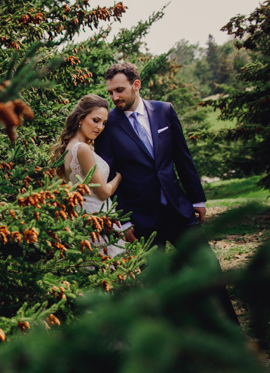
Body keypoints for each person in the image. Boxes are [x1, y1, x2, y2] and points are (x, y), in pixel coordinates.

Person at [95, 61, 240, 324]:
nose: (114, 97)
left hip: (179, 209)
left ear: (136, 85)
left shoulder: (164, 111)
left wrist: (197, 198)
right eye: (111, 92)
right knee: (157, 286)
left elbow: (183, 158)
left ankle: (234, 333)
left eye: (119, 90)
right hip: (140, 220)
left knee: (209, 270)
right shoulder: (109, 124)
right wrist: (123, 219)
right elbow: (107, 173)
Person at [49, 94, 125, 256]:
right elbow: (103, 192)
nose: (100, 127)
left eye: (104, 123)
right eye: (95, 120)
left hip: (85, 217)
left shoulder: (71, 147)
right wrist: (119, 176)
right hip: (97, 219)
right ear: (80, 119)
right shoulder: (82, 149)